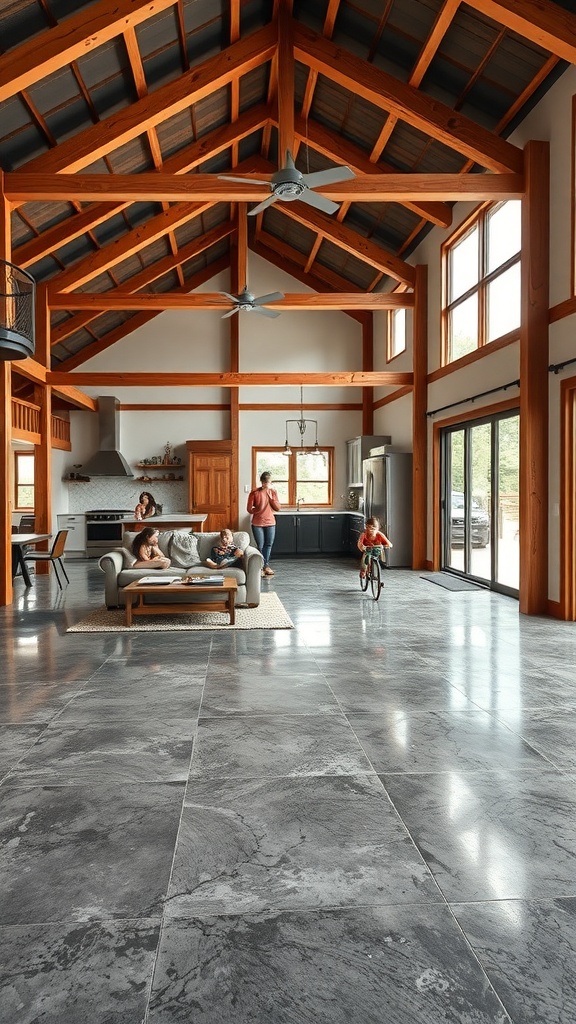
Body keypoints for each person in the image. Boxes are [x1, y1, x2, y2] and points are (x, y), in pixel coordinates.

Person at [247, 470, 281, 577]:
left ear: (270, 482)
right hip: (257, 523)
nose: (266, 484)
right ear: (261, 481)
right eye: (264, 482)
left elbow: (277, 508)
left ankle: (266, 566)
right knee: (260, 546)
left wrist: (271, 499)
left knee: (268, 545)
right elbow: (249, 509)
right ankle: (260, 567)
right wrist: (257, 510)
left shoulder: (273, 492)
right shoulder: (254, 492)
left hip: (270, 522)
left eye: (268, 482)